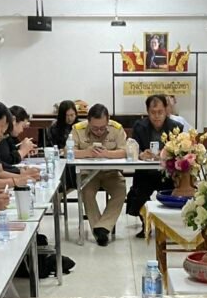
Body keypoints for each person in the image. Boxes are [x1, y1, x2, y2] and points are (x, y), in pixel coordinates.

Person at [72, 103, 127, 246]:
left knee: (120, 190)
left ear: (108, 121)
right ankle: (101, 232)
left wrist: (107, 154)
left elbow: (124, 151)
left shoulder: (117, 128)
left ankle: (102, 227)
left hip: (111, 172)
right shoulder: (78, 129)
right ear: (88, 122)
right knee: (87, 192)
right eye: (95, 128)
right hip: (88, 173)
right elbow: (69, 152)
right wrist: (86, 153)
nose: (98, 131)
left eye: (102, 128)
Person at [126, 94, 178, 229]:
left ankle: (168, 226)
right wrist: (140, 154)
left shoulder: (175, 127)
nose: (157, 116)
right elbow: (133, 147)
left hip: (167, 174)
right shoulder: (139, 126)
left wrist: (166, 154)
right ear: (147, 112)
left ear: (166, 110)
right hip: (145, 173)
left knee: (176, 191)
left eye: (160, 112)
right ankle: (146, 224)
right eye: (153, 112)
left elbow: (180, 152)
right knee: (137, 193)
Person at [49, 100, 79, 194]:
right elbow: (52, 146)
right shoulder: (55, 128)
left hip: (78, 158)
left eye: (72, 115)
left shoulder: (79, 126)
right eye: (67, 115)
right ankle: (61, 192)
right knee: (65, 170)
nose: (70, 118)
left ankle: (67, 190)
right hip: (61, 159)